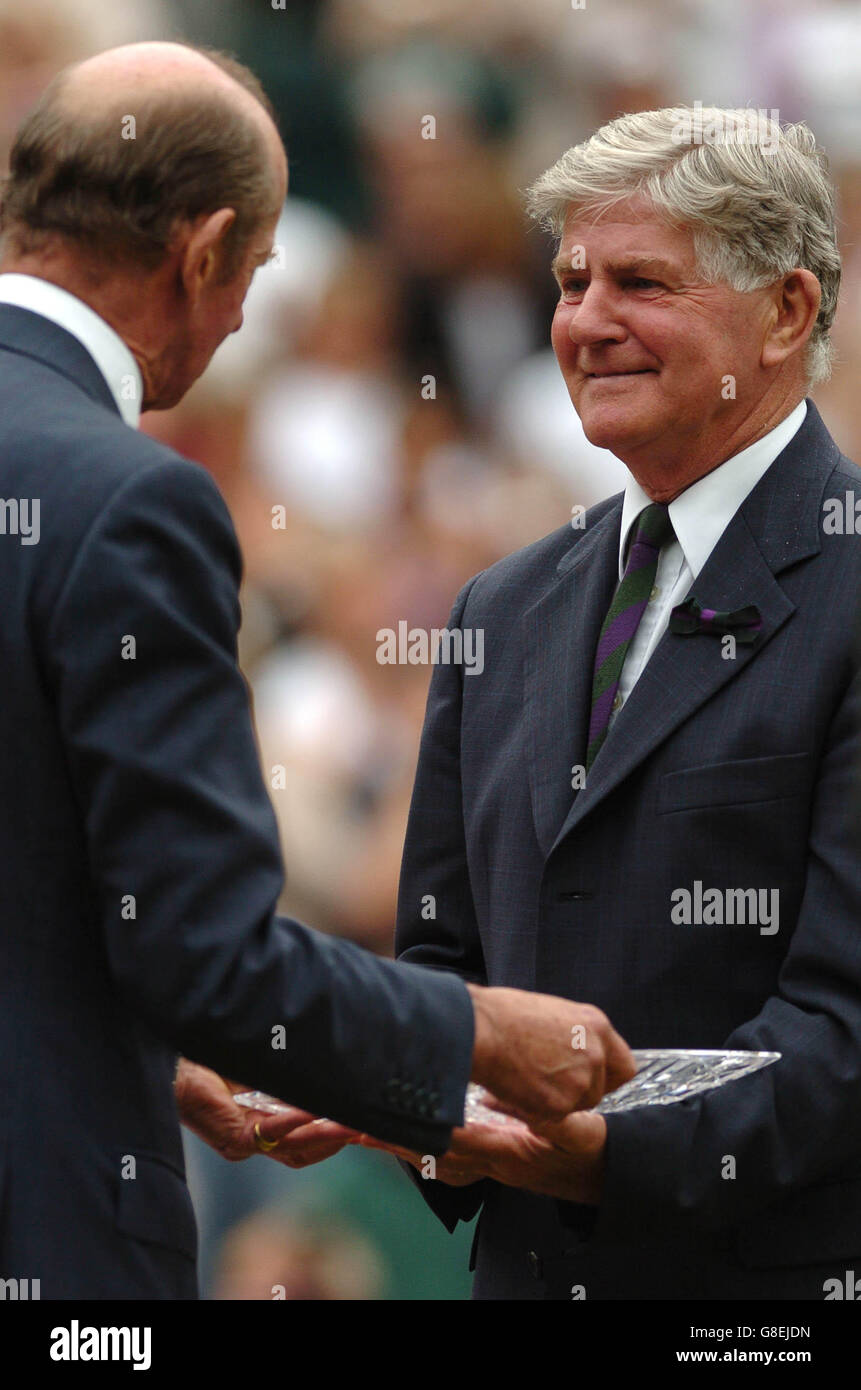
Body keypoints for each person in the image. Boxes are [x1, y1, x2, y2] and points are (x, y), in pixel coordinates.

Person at [0, 41, 634, 1300]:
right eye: (257, 274)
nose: (241, 319)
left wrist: (117, 1041)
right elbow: (208, 955)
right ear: (204, 253)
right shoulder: (130, 503)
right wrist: (481, 1033)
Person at [284, 107, 861, 1300]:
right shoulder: (502, 608)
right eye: (570, 280)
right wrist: (389, 1081)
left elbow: (841, 1025)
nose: (588, 322)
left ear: (788, 312)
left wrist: (597, 1147)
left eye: (641, 282)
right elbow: (444, 961)